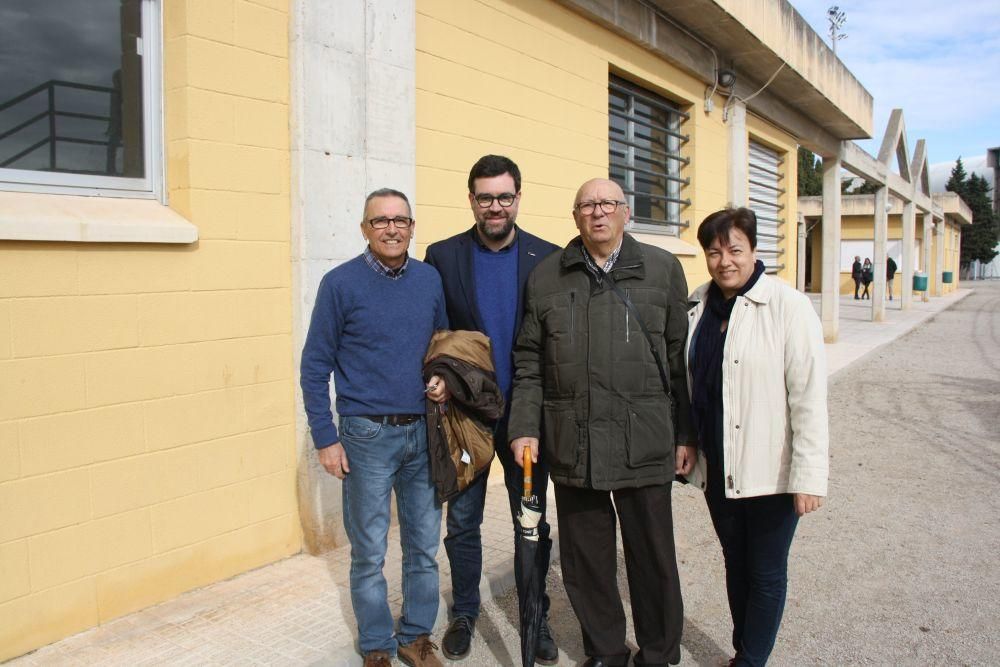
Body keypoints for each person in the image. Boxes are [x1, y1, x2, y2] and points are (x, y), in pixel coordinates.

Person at [508, 178, 697, 667]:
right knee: (586, 561)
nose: (598, 213)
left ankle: (657, 653)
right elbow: (528, 359)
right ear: (575, 216)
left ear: (625, 213)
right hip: (575, 442)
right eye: (588, 205)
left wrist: (686, 434)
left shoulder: (662, 269)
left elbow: (680, 362)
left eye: (608, 204)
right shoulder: (548, 276)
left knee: (652, 557)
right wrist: (524, 425)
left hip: (645, 440)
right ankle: (606, 651)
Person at [300, 188, 450, 667]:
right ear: (365, 229)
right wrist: (326, 437)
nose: (391, 228)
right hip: (365, 435)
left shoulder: (429, 280)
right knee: (368, 551)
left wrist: (442, 378)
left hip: (423, 433)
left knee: (424, 546)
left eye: (400, 220)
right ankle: (377, 646)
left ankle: (414, 636)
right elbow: (313, 365)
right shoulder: (339, 284)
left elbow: (442, 346)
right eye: (380, 220)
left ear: (411, 227)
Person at [424, 155, 560, 663]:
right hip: (468, 417)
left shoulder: (546, 258)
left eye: (504, 196)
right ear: (472, 201)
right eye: (485, 197)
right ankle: (464, 611)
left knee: (532, 521)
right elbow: (436, 333)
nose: (495, 206)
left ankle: (535, 616)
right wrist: (437, 377)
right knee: (462, 522)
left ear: (518, 198)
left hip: (526, 418)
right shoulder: (444, 256)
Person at [685, 207, 829, 667]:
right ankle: (744, 649)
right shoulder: (699, 303)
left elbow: (808, 398)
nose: (725, 260)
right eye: (714, 251)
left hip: (772, 468)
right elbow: (689, 385)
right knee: (735, 563)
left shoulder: (788, 306)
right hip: (719, 464)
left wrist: (809, 476)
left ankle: (750, 660)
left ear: (754, 250)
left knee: (765, 572)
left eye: (734, 249)